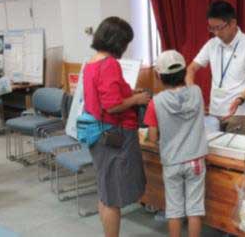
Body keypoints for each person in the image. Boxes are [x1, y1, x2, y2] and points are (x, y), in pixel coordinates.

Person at [84, 17, 150, 237]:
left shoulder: (91, 63)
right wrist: (137, 100)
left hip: (98, 134)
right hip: (115, 135)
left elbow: (102, 97)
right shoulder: (109, 64)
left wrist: (128, 93)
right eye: (125, 43)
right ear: (117, 41)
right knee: (113, 198)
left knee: (105, 192)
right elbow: (112, 106)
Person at [144, 50, 208, 237]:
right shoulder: (196, 92)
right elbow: (186, 92)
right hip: (195, 160)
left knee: (174, 209)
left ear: (159, 75)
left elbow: (153, 137)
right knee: (195, 209)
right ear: (184, 72)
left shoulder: (156, 102)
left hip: (172, 162)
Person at [186, 0, 245, 135]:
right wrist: (192, 91)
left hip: (238, 114)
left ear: (232, 23)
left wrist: (240, 99)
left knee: (233, 155)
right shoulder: (212, 44)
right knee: (212, 154)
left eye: (219, 27)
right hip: (214, 112)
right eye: (211, 28)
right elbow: (191, 69)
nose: (216, 33)